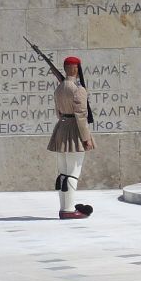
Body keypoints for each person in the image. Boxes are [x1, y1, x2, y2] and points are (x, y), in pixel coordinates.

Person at [46, 55, 96, 219]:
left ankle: (64, 208)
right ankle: (69, 211)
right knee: (73, 173)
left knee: (63, 173)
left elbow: (58, 112)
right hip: (75, 131)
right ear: (76, 69)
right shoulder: (78, 89)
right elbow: (81, 115)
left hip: (61, 130)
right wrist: (86, 137)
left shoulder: (59, 88)